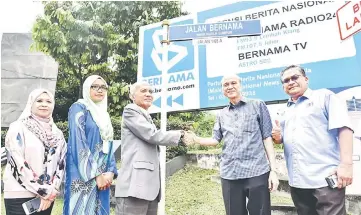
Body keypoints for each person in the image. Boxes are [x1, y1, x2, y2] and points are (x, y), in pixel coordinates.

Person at [272, 65, 354, 215]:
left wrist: (346, 165)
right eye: (286, 80)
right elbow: (285, 140)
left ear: (306, 79)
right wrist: (278, 138)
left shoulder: (324, 97)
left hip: (325, 179)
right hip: (298, 182)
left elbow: (344, 129)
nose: (290, 82)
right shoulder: (285, 110)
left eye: (295, 77)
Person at [192, 74, 279, 215]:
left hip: (256, 171)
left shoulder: (257, 105)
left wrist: (273, 171)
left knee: (261, 212)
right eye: (226, 85)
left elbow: (267, 138)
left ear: (240, 85)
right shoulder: (221, 114)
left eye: (233, 83)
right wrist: (195, 139)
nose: (230, 86)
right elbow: (215, 140)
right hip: (230, 174)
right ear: (222, 89)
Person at [114, 81, 194, 215]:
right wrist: (180, 134)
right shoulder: (130, 110)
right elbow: (152, 135)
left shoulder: (145, 115)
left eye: (151, 92)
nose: (148, 94)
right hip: (134, 187)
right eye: (143, 91)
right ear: (132, 96)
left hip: (149, 190)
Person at [3, 89, 67, 215]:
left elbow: (61, 165)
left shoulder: (57, 134)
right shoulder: (18, 128)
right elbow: (17, 162)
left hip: (47, 198)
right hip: (19, 194)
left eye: (48, 101)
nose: (44, 104)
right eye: (39, 101)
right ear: (31, 103)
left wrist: (52, 190)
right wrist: (44, 191)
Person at [63, 75, 118, 215]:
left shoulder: (104, 114)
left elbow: (109, 144)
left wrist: (111, 171)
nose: (100, 90)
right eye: (95, 86)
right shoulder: (79, 108)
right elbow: (78, 142)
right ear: (87, 89)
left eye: (103, 87)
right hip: (83, 175)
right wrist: (95, 174)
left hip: (103, 175)